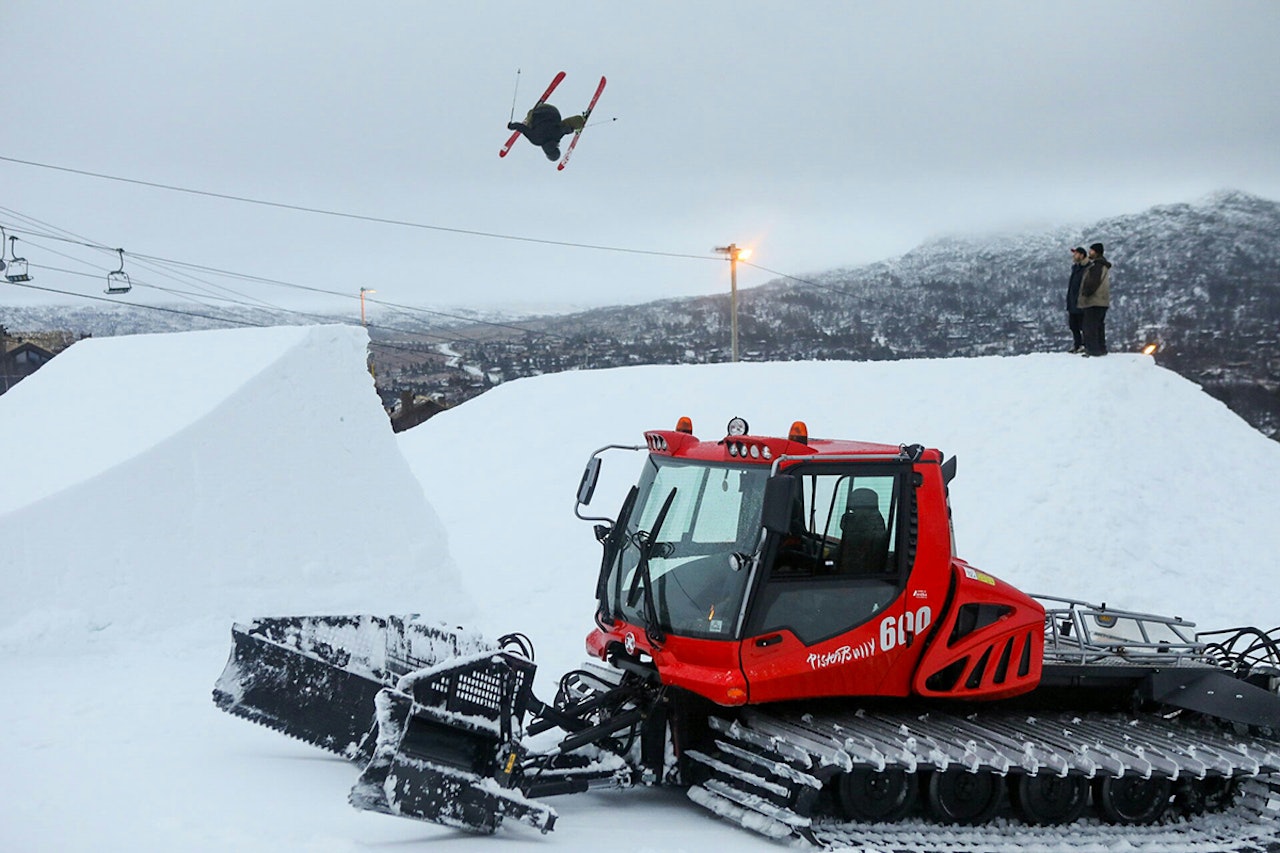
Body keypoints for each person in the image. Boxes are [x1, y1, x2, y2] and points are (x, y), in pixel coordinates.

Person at [507, 103, 586, 161]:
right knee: (529, 126)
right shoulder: (536, 140)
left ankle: (580, 121)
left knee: (563, 125)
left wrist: (570, 130)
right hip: (538, 111)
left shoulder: (557, 136)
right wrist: (512, 126)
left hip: (552, 110)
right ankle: (531, 116)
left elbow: (565, 130)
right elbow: (522, 128)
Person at [1078, 242, 1112, 356]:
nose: (1089, 252)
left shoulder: (1097, 266)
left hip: (1094, 301)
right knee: (1098, 325)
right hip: (1102, 301)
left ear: (1096, 252)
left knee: (1089, 326)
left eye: (1091, 250)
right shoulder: (1102, 265)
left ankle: (1093, 350)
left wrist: (1085, 293)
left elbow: (1093, 283)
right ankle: (1101, 348)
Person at [1066, 247, 1088, 353]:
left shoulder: (1086, 268)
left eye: (1076, 254)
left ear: (1082, 255)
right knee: (1073, 325)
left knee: (1083, 325)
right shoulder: (1075, 268)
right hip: (1073, 301)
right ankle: (1077, 344)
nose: (1074, 256)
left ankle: (1085, 344)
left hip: (1081, 302)